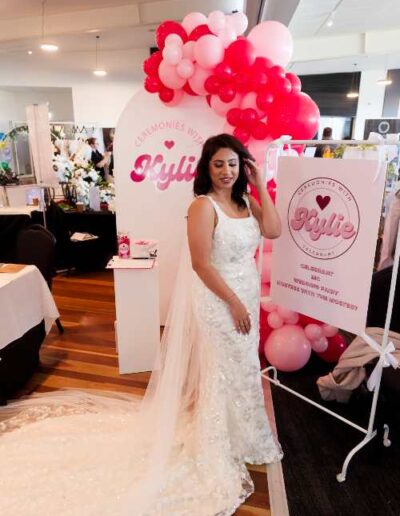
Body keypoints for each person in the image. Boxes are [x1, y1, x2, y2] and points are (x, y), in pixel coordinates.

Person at [0, 134, 282, 515]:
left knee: (244, 366)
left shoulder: (246, 202)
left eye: (233, 164)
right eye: (218, 164)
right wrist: (232, 303)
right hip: (220, 300)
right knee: (221, 369)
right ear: (207, 168)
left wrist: (260, 184)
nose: (226, 171)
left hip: (245, 295)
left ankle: (244, 436)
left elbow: (274, 230)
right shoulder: (203, 206)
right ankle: (215, 440)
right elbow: (201, 265)